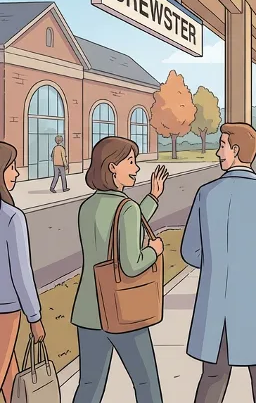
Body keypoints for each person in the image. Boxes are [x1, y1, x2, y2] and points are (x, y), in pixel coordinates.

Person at [182, 122, 256, 403]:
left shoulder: (206, 194)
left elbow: (189, 251)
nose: (217, 153)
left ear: (235, 150)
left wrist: (218, 263)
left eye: (221, 146)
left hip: (215, 310)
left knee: (212, 378)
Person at [71, 137, 167, 403]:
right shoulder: (128, 209)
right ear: (113, 167)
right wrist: (154, 250)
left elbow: (115, 231)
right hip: (122, 310)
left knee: (89, 384)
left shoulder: (87, 207)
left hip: (89, 310)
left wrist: (152, 198)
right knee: (146, 382)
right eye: (131, 162)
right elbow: (131, 264)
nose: (136, 168)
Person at [0, 142, 44, 403]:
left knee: (11, 378)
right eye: (11, 167)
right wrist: (35, 317)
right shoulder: (11, 217)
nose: (16, 174)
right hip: (6, 309)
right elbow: (21, 273)